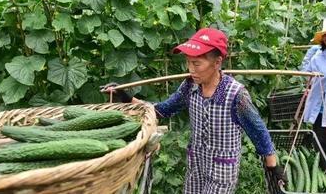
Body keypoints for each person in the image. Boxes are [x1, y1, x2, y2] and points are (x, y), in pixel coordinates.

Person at [101, 27, 286, 194]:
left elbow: (257, 130)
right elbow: (162, 110)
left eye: (197, 64)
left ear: (217, 62)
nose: (191, 70)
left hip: (222, 170)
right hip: (196, 165)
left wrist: (272, 167)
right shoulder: (190, 87)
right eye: (188, 63)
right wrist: (127, 97)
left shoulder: (236, 95)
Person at [304, 19, 326, 159]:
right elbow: (309, 77)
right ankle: (323, 171)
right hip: (320, 107)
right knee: (320, 141)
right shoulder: (317, 58)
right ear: (323, 39)